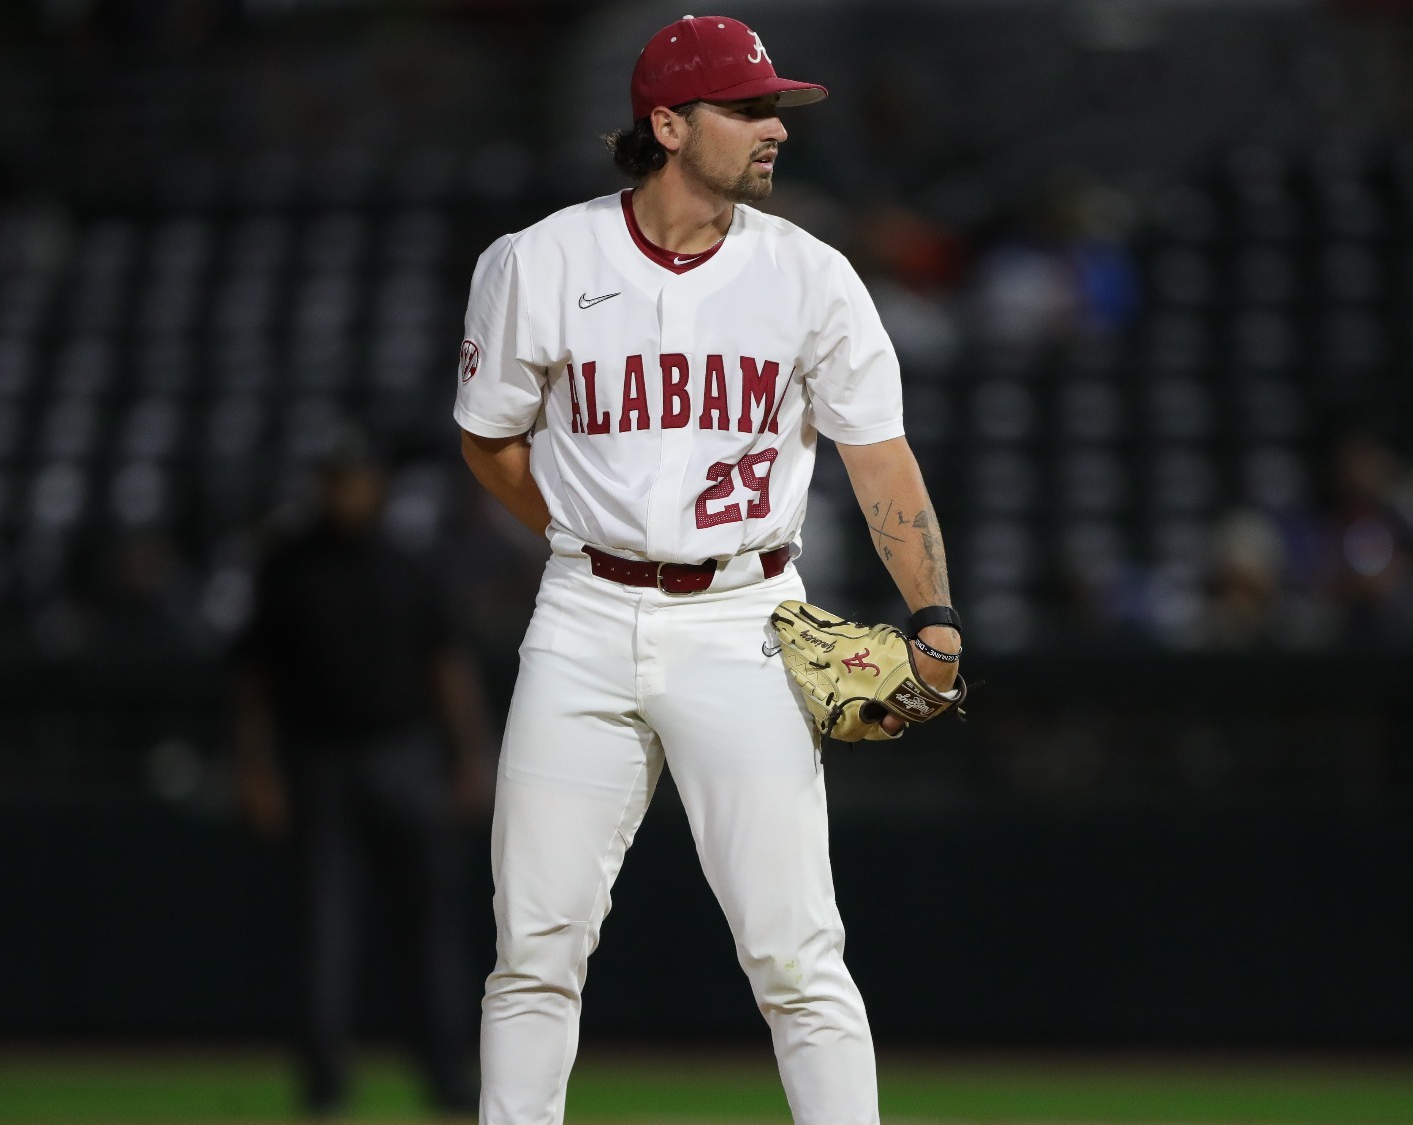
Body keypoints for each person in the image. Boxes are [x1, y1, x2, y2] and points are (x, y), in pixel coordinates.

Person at [454, 15, 963, 1125]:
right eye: (747, 108)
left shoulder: (809, 274)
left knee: (795, 951)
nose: (774, 127)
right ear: (670, 124)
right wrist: (577, 534)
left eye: (774, 107)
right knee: (535, 945)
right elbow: (488, 440)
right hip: (583, 616)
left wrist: (932, 612)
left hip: (744, 615)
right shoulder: (539, 262)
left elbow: (879, 459)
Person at [232, 441, 495, 1119]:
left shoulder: (410, 563)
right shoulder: (287, 564)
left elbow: (448, 665)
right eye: (334, 480)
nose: (345, 492)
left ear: (376, 485)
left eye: (354, 479)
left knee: (429, 929)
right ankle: (324, 1082)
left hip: (406, 754)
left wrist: (469, 756)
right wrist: (257, 769)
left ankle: (446, 1075)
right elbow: (255, 679)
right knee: (323, 930)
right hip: (317, 759)